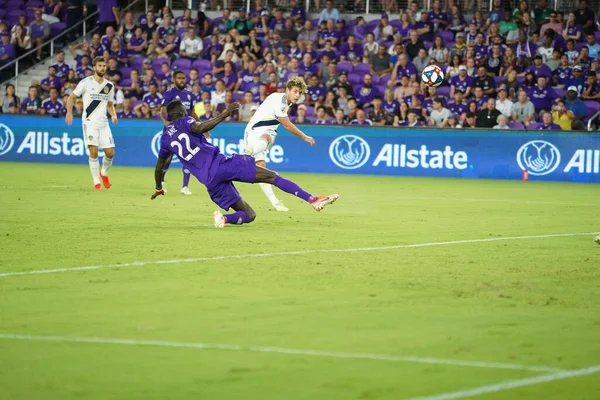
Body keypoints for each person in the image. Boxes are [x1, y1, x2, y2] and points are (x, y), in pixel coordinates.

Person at [152, 100, 338, 228]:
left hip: (210, 182)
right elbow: (200, 127)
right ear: (181, 113)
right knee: (272, 176)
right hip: (222, 164)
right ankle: (313, 200)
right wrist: (224, 113)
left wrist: (159, 186)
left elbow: (160, 166)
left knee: (250, 215)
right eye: (185, 111)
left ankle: (223, 219)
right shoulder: (185, 121)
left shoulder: (165, 139)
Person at [243, 76, 316, 212]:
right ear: (287, 90)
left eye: (299, 93)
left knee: (262, 169)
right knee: (268, 137)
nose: (297, 95)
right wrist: (305, 137)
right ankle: (249, 151)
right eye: (295, 91)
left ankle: (275, 202)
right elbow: (287, 125)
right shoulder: (279, 100)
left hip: (265, 131)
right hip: (255, 131)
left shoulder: (285, 103)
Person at [65, 56, 118, 190]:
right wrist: (69, 112)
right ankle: (96, 181)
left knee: (110, 153)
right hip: (89, 123)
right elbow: (71, 98)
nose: (102, 68)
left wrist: (113, 115)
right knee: (93, 151)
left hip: (104, 124)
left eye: (104, 66)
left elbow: (110, 104)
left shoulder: (109, 86)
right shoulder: (86, 82)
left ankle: (104, 173)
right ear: (94, 67)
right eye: (100, 66)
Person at [160, 70, 199, 195]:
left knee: (188, 157)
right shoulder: (169, 93)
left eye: (183, 78)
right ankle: (161, 182)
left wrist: (201, 125)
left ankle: (185, 187)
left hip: (186, 130)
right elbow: (163, 110)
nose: (182, 80)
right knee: (167, 159)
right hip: (172, 130)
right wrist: (165, 122)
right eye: (179, 78)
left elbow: (192, 112)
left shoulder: (190, 95)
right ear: (174, 80)